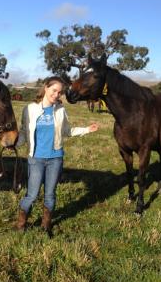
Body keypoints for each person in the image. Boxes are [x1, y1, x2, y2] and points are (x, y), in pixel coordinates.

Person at [15, 76, 99, 234]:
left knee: (50, 194)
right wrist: (14, 144)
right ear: (46, 88)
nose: (56, 95)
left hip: (55, 159)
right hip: (36, 159)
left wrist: (87, 129)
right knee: (32, 195)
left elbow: (68, 131)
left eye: (60, 92)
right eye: (54, 90)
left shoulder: (60, 110)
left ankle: (46, 225)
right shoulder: (30, 109)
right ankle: (21, 224)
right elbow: (24, 133)